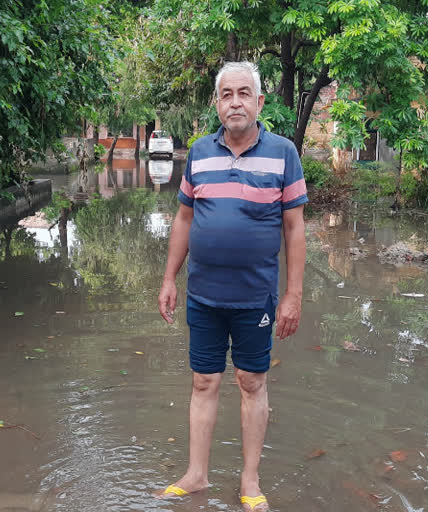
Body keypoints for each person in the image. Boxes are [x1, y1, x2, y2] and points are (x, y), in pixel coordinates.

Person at [157, 61, 307, 512]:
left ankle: (250, 481)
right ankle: (197, 475)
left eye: (244, 93)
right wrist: (168, 279)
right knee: (203, 381)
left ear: (259, 103)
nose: (235, 101)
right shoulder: (199, 153)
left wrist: (293, 295)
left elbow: (295, 229)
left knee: (251, 381)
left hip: (255, 298)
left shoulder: (283, 154)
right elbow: (183, 219)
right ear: (217, 103)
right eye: (227, 94)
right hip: (203, 295)